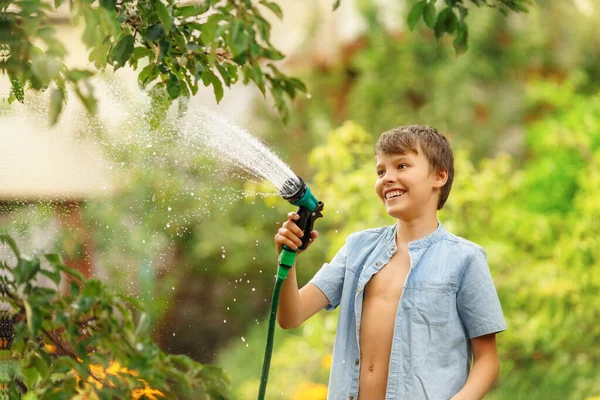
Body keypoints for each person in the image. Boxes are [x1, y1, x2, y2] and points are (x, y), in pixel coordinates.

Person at [274, 125, 507, 400]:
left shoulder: (465, 259)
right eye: (381, 171)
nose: (387, 178)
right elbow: (291, 317)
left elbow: (488, 360)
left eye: (402, 166)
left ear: (439, 176)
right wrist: (287, 263)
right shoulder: (357, 248)